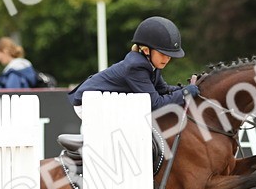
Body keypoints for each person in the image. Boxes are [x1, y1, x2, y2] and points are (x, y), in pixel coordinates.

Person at [67, 16, 199, 118]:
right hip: (88, 103)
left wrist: (184, 89)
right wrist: (184, 94)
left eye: (169, 55)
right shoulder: (136, 67)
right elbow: (155, 104)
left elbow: (162, 89)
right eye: (163, 54)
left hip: (106, 100)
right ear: (146, 50)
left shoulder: (152, 63)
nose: (167, 59)